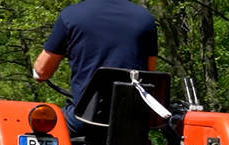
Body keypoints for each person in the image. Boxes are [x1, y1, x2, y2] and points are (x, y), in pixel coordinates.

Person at [33, 0, 158, 134]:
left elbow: (42, 71)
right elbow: (149, 73)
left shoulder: (72, 15)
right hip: (133, 121)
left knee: (35, 120)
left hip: (85, 119)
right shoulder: (145, 18)